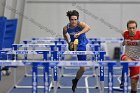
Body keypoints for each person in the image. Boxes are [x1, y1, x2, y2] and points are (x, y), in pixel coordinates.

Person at [63, 10, 90, 92]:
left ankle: (75, 80)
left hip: (82, 44)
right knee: (83, 68)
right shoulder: (66, 28)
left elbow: (88, 28)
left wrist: (79, 33)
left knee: (83, 68)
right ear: (69, 20)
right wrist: (68, 42)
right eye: (72, 19)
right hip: (74, 45)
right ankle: (73, 45)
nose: (74, 21)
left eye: (75, 19)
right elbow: (64, 34)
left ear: (77, 19)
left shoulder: (80, 24)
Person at [120, 20, 140, 93]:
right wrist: (123, 42)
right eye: (130, 28)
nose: (132, 30)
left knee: (134, 84)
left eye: (133, 28)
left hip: (136, 60)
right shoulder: (125, 33)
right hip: (126, 56)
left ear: (136, 28)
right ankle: (123, 80)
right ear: (127, 28)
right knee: (128, 61)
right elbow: (124, 35)